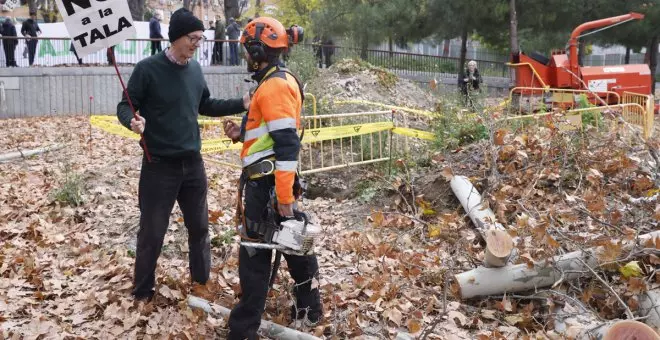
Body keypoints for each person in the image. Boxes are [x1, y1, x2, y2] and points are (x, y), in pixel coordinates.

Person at [116, 7, 250, 302]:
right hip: (158, 165)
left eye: (201, 39)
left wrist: (241, 103)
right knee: (152, 232)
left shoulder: (195, 69)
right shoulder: (147, 69)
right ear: (176, 36)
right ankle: (142, 292)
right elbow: (124, 106)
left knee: (200, 227)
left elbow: (206, 104)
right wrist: (132, 121)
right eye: (193, 38)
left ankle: (201, 283)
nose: (197, 44)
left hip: (193, 164)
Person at [222, 17, 321, 340]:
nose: (245, 58)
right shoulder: (272, 81)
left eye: (247, 51)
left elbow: (287, 145)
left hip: (268, 184)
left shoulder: (275, 85)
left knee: (254, 253)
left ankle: (243, 329)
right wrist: (243, 133)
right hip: (271, 180)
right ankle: (309, 307)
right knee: (292, 244)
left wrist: (284, 199)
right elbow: (272, 135)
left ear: (257, 49)